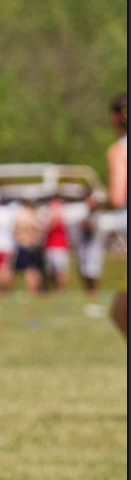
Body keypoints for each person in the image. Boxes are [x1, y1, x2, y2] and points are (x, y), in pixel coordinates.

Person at [104, 92, 127, 338]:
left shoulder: (119, 150)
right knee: (121, 311)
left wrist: (96, 203)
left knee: (121, 313)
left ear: (114, 117)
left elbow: (117, 198)